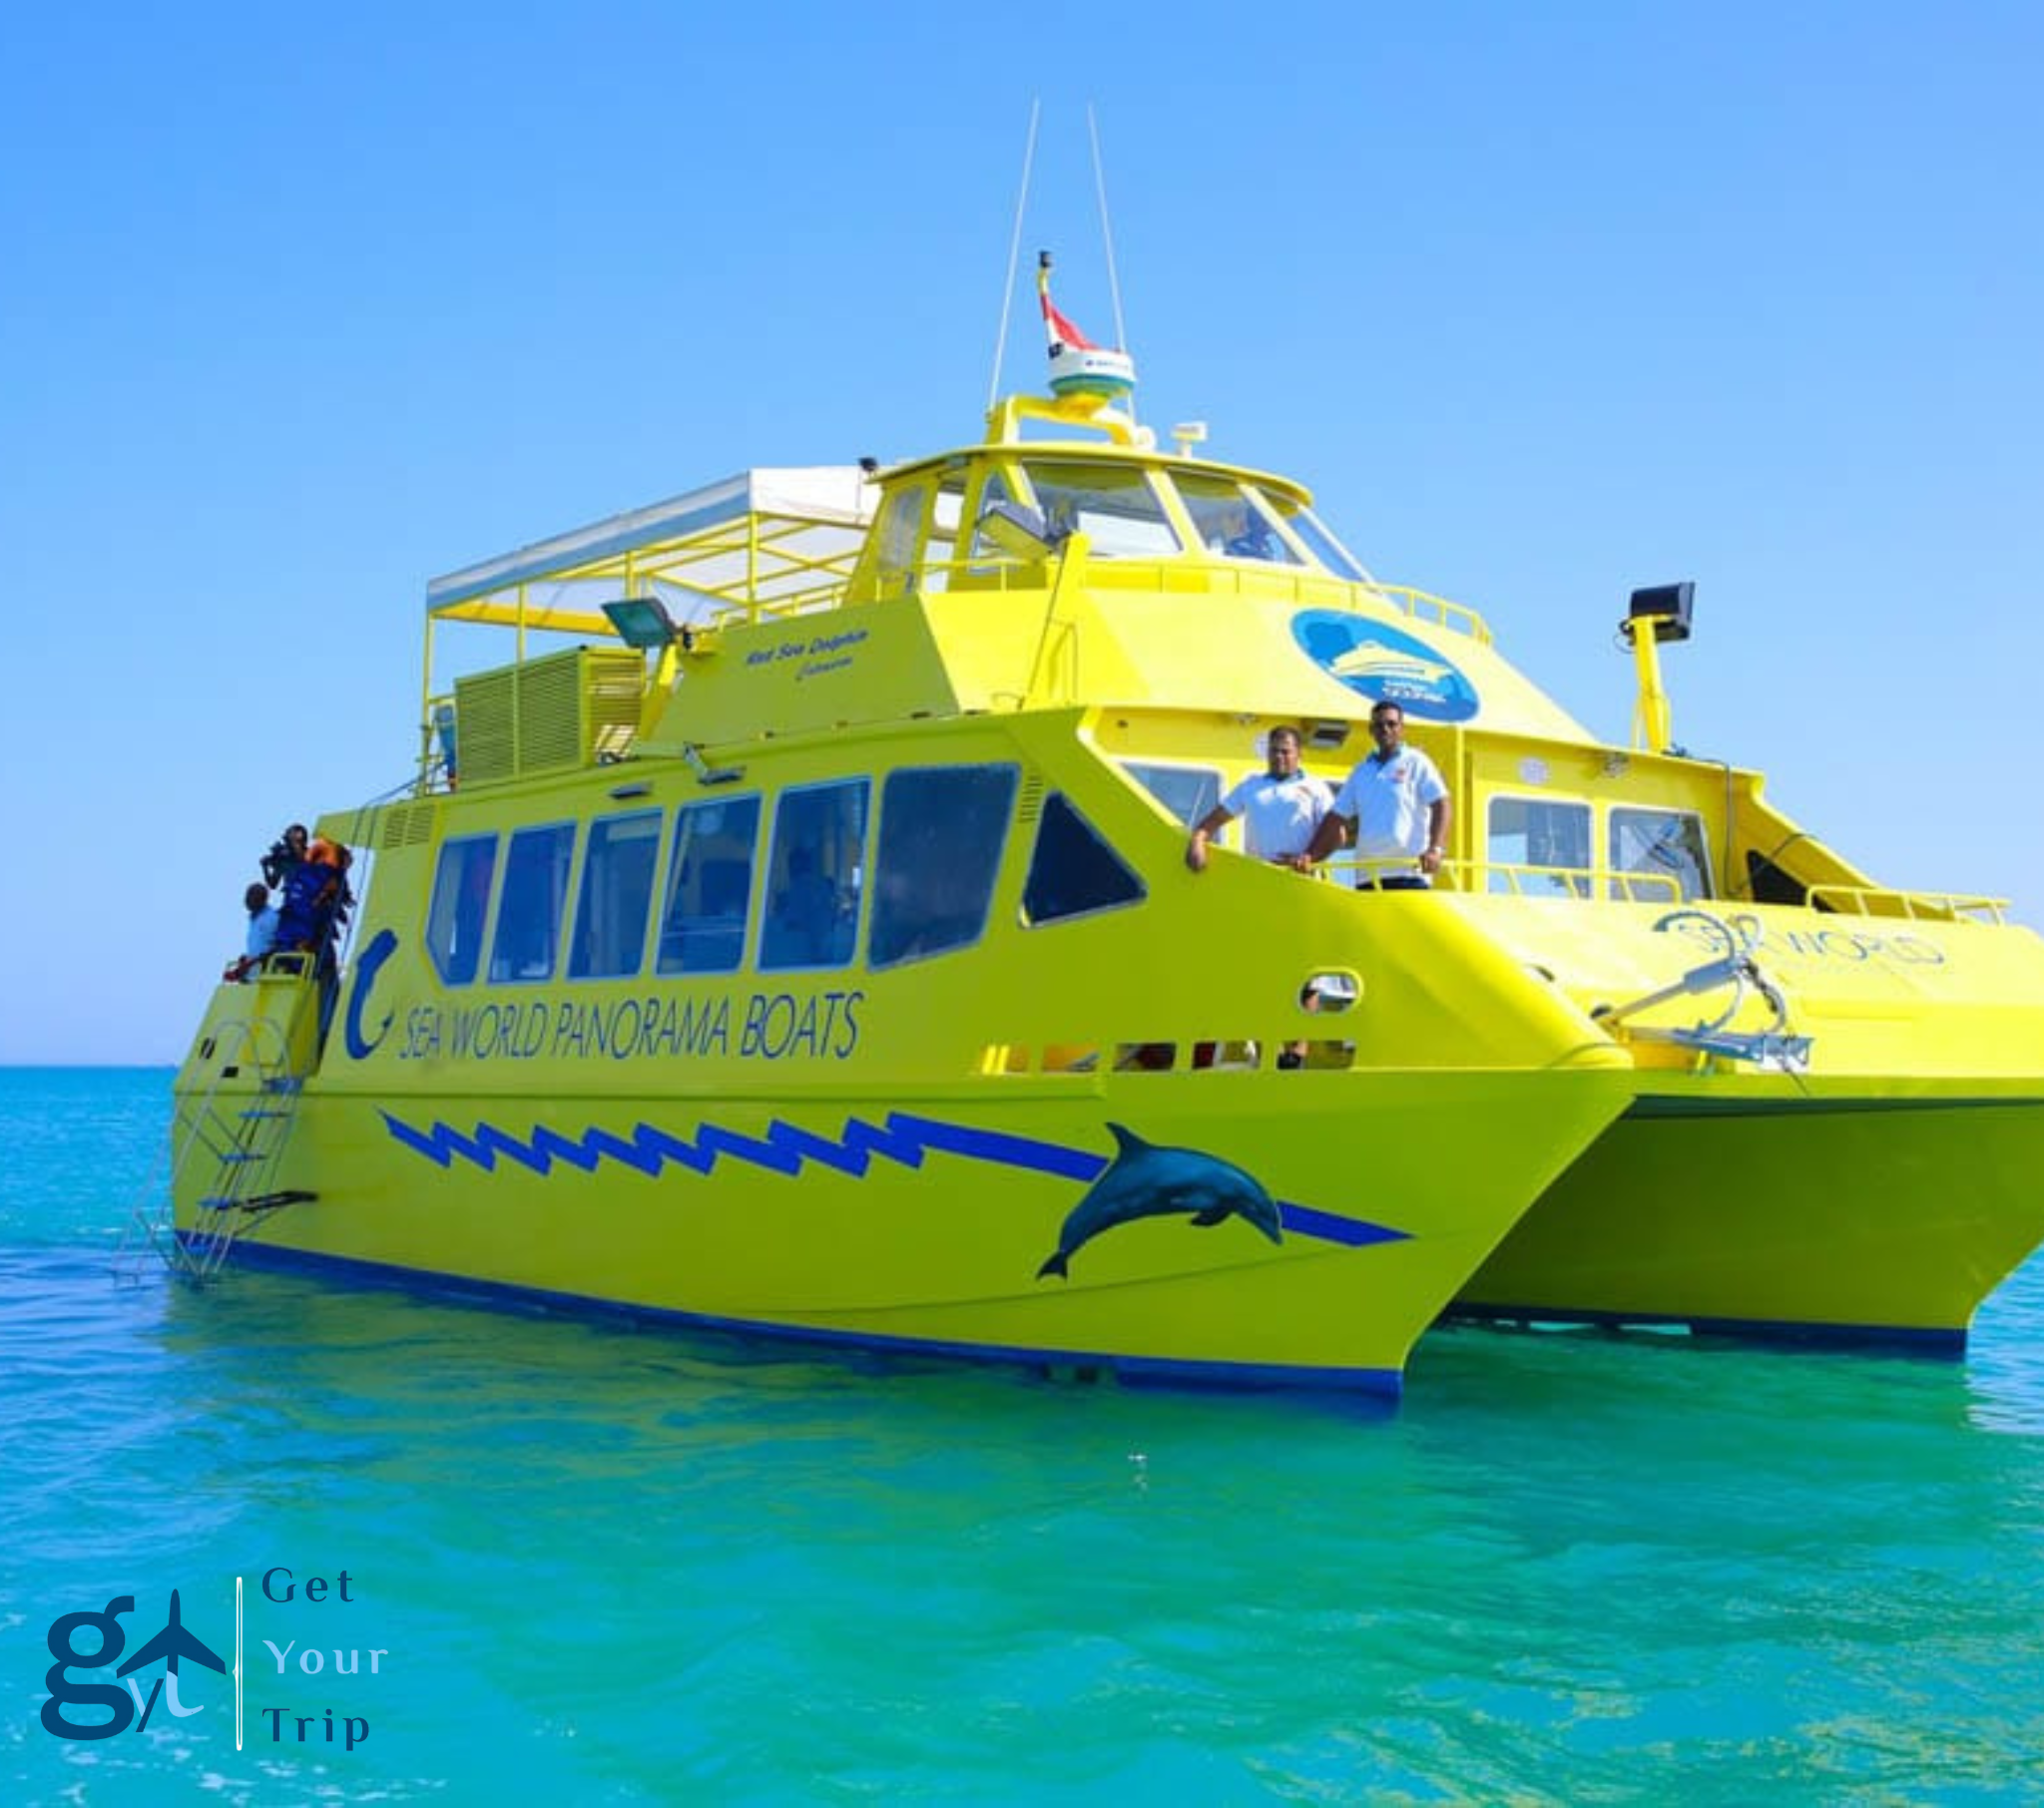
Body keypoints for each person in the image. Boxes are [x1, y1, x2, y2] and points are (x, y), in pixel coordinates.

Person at [1187, 725, 1336, 1069]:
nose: (1279, 757)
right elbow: (1211, 822)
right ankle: (1267, 1047)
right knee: (1263, 968)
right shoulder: (1252, 787)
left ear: (1299, 754)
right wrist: (1198, 841)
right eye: (1274, 750)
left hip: (1300, 886)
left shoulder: (1314, 789)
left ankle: (1296, 1051)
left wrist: (1311, 856)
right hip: (1260, 888)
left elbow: (1337, 831)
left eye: (1286, 751)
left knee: (1304, 972)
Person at [1297, 700, 1452, 890]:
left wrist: (1436, 849)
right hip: (1367, 875)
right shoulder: (1361, 771)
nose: (1385, 729)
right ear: (1371, 730)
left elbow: (1441, 803)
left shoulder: (1416, 762)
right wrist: (1310, 855)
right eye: (1379, 725)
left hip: (1409, 872)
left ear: (1402, 728)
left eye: (1391, 724)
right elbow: (1336, 817)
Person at [228, 883, 278, 982]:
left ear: (260, 899)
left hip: (267, 974)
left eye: (251, 897)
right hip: (253, 975)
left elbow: (277, 946)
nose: (247, 901)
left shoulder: (272, 918)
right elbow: (259, 946)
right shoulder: (254, 920)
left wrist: (254, 961)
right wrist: (246, 959)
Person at [261, 823, 309, 890]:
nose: (286, 844)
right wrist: (265, 868)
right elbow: (273, 884)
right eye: (287, 841)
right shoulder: (282, 858)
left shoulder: (312, 855)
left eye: (289, 840)